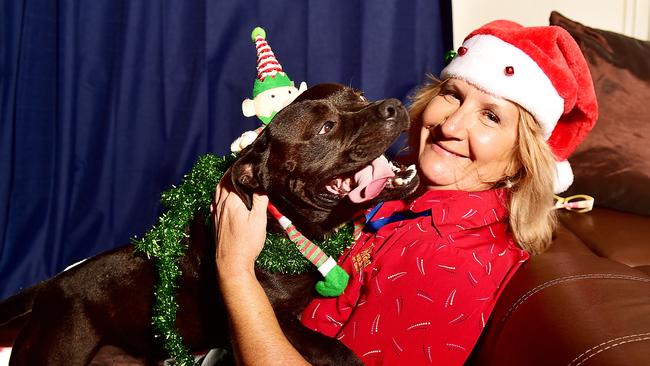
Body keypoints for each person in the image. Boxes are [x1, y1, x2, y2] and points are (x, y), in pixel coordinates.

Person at [213, 20, 598, 365]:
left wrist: (234, 269)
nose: (451, 125)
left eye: (491, 116)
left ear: (522, 158)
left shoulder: (444, 265)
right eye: (453, 94)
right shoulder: (399, 189)